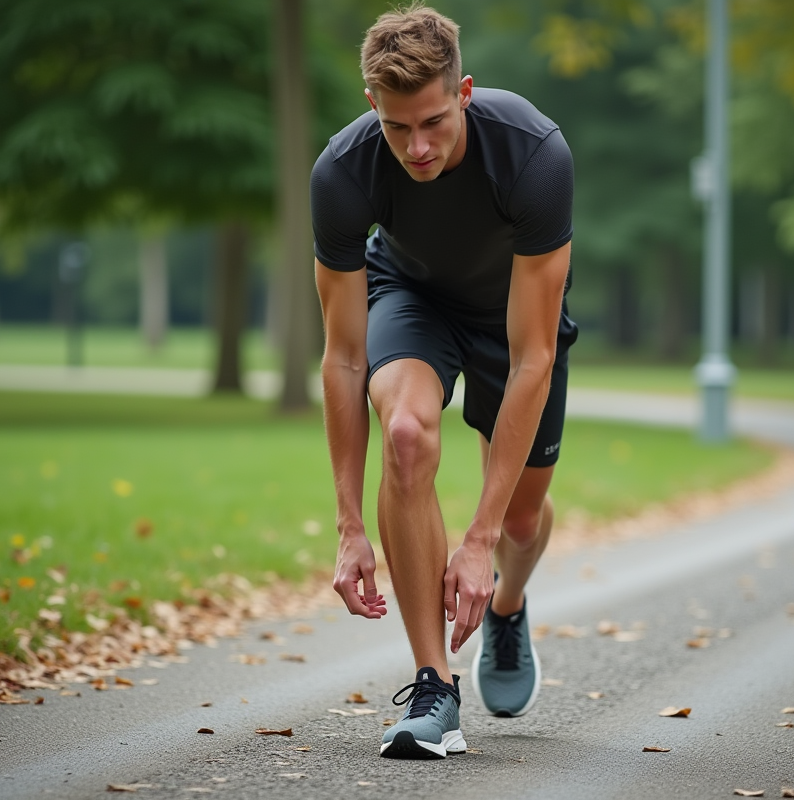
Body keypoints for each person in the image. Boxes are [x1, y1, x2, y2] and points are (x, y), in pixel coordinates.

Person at [311, 2, 577, 759]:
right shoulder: (341, 172)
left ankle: (508, 603)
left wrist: (480, 538)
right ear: (373, 107)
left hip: (514, 319)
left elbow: (532, 357)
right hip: (414, 297)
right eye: (398, 128)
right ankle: (435, 687)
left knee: (523, 522)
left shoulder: (533, 154)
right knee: (403, 433)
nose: (417, 146)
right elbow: (343, 358)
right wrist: (348, 525)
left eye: (432, 122)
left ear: (463, 93)